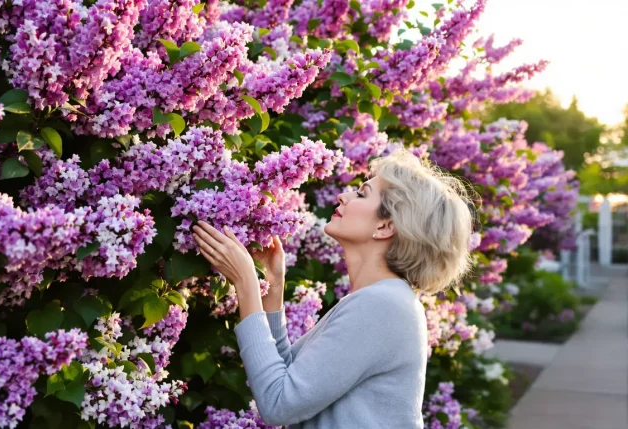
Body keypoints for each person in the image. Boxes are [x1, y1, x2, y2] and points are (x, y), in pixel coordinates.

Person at [192, 148, 476, 428]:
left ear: (386, 226)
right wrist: (272, 285)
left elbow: (278, 404)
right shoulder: (380, 299)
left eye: (362, 193)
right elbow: (291, 378)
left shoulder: (382, 306)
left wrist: (246, 283)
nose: (344, 195)